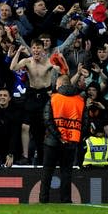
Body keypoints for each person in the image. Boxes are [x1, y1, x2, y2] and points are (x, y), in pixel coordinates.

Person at [39, 75, 87, 203]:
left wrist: (59, 136)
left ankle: (43, 200)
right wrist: (75, 137)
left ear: (60, 84)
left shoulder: (53, 99)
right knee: (66, 172)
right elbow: (85, 123)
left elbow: (47, 120)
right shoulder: (80, 100)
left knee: (47, 171)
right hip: (71, 143)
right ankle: (66, 200)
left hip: (52, 142)